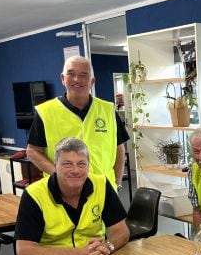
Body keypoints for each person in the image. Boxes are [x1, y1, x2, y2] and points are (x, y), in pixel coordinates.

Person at [15, 137, 129, 255]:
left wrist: (107, 247)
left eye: (81, 164)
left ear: (88, 166)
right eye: (67, 164)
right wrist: (79, 254)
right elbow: (25, 252)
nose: (75, 170)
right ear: (55, 166)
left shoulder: (101, 184)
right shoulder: (34, 194)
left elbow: (121, 230)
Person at [26, 55, 130, 191]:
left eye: (83, 75)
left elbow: (119, 149)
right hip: (63, 191)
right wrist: (59, 175)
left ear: (92, 81)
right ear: (63, 79)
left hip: (103, 190)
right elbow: (33, 151)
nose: (77, 79)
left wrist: (117, 183)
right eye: (71, 74)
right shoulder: (45, 112)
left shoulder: (108, 110)